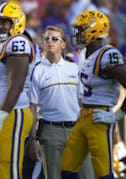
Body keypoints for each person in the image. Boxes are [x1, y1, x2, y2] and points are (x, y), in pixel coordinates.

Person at [60, 10, 126, 179]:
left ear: (94, 30)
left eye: (81, 29)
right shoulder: (87, 54)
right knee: (67, 169)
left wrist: (116, 116)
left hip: (99, 118)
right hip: (84, 117)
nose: (77, 34)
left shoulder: (108, 55)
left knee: (103, 173)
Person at [29, 26, 94, 179]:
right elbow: (32, 107)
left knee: (87, 175)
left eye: (54, 38)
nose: (50, 41)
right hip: (51, 132)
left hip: (77, 130)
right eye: (46, 39)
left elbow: (82, 102)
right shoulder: (37, 70)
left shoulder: (74, 68)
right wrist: (32, 140)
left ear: (63, 44)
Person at [0, 2, 36, 179]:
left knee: (9, 170)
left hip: (12, 112)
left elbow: (17, 84)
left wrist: (1, 117)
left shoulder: (18, 42)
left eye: (4, 22)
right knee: (1, 171)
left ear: (16, 23)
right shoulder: (0, 46)